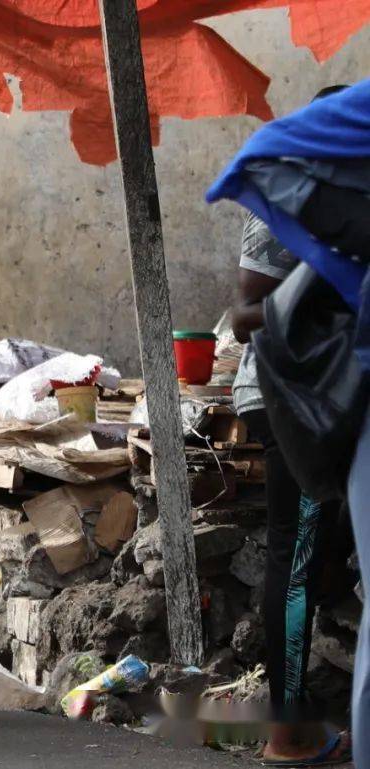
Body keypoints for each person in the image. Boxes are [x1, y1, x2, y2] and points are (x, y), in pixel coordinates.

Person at [231, 211, 349, 766]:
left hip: (312, 396)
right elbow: (244, 315)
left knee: (308, 549)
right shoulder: (297, 192)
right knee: (295, 555)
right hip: (298, 396)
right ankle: (288, 735)